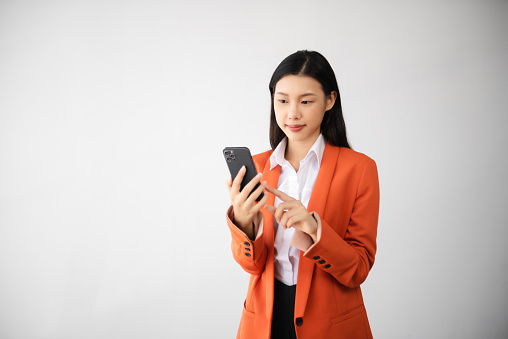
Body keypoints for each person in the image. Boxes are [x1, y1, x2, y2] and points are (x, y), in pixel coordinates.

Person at [225, 50, 380, 339]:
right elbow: (251, 265)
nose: (292, 113)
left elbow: (358, 269)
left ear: (330, 100)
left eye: (306, 101)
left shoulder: (359, 169)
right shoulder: (258, 167)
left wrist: (314, 228)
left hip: (330, 325)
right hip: (264, 321)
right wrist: (244, 224)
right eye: (282, 100)